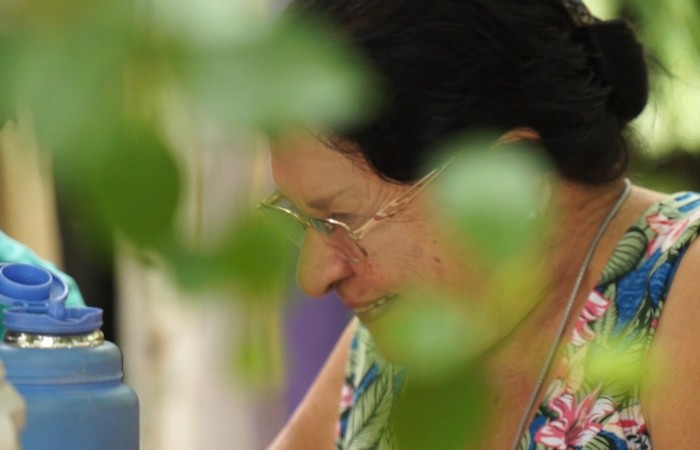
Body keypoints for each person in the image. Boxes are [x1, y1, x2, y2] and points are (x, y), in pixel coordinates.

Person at [262, 0, 700, 448]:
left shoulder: (686, 292)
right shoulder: (408, 328)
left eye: (341, 218)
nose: (313, 278)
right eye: (303, 218)